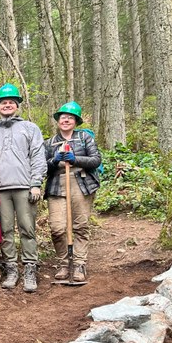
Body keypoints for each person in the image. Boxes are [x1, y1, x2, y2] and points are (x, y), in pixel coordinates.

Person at [0, 83, 46, 293]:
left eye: (11, 102)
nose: (7, 105)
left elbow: (38, 155)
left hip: (25, 187)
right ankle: (11, 269)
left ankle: (29, 269)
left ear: (17, 105)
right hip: (0, 190)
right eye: (3, 102)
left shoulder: (30, 128)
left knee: (27, 229)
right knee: (5, 230)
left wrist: (36, 183)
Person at [44, 102, 101, 282]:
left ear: (76, 121)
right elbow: (42, 166)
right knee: (57, 227)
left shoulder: (85, 138)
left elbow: (96, 160)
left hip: (81, 182)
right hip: (56, 185)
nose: (66, 120)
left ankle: (79, 264)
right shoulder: (49, 142)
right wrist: (54, 160)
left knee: (80, 226)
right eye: (63, 117)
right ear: (58, 120)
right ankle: (62, 263)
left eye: (70, 117)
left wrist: (75, 159)